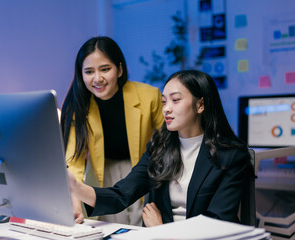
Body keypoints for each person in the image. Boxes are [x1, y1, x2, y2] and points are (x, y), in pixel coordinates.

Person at [67, 69, 253, 227]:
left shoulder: (231, 156)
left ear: (200, 105)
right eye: (164, 102)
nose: (166, 109)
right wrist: (75, 187)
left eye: (175, 100)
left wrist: (161, 230)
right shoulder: (158, 149)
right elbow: (121, 195)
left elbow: (217, 223)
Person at [60, 36, 164, 226]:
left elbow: (170, 140)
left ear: (120, 69)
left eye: (105, 69)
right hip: (102, 171)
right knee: (106, 227)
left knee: (140, 226)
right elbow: (73, 162)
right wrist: (74, 203)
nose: (97, 78)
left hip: (142, 170)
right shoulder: (79, 107)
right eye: (89, 71)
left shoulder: (150, 96)